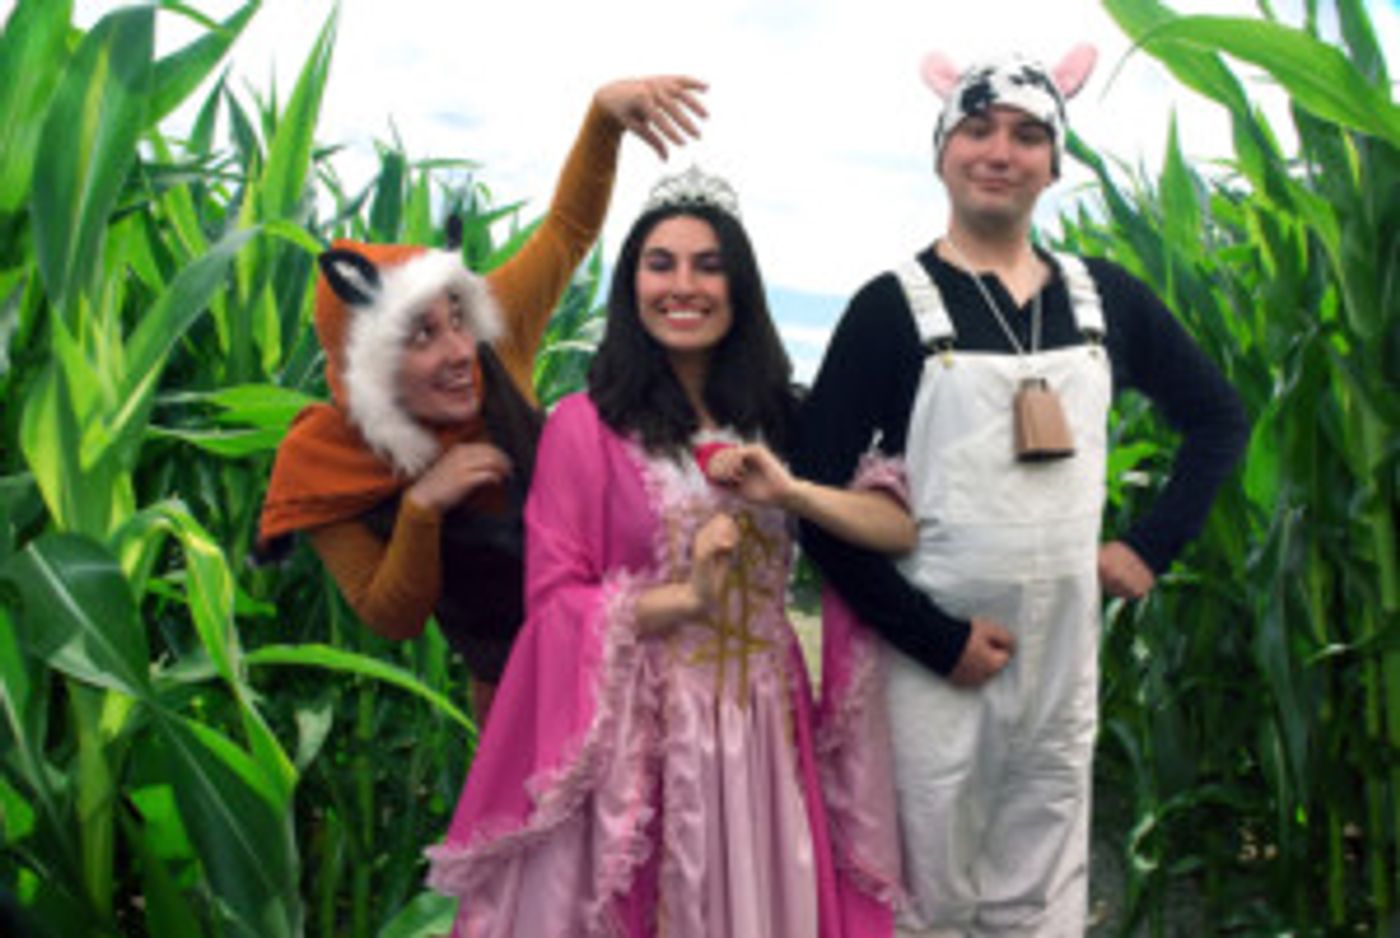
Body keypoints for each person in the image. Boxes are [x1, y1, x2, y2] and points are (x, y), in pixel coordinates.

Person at [793, 48, 1250, 936]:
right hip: (930, 661)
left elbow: (1218, 419)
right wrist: (936, 639)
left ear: (1054, 161)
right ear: (942, 151)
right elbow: (815, 504)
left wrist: (1150, 544)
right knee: (928, 887)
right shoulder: (891, 309)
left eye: (1028, 135)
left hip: (1062, 654)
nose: (1000, 151)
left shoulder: (1103, 298)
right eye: (977, 129)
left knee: (1045, 882)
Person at [425, 167, 906, 937]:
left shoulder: (788, 419)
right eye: (661, 264)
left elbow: (892, 528)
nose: (684, 286)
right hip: (645, 732)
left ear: (741, 287)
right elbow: (554, 604)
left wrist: (791, 496)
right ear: (631, 284)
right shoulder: (585, 426)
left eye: (709, 266)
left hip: (765, 727)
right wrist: (686, 599)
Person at [256, 76, 708, 725]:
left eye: (456, 319)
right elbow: (392, 616)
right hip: (517, 705)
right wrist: (422, 507)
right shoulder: (325, 463)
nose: (459, 350)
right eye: (422, 335)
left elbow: (567, 230)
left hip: (638, 657)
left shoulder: (497, 340)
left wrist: (603, 118)